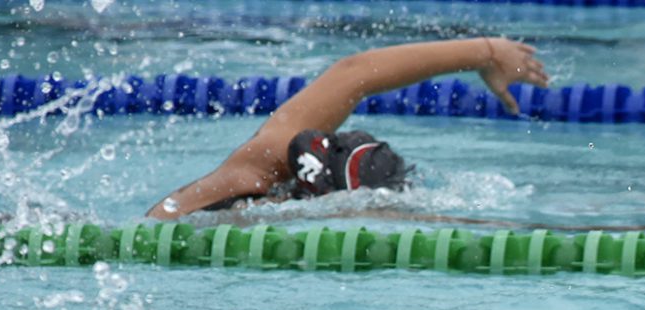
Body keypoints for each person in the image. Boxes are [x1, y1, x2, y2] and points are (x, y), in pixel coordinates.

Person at [146, 37, 549, 219]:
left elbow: (352, 74)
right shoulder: (264, 174)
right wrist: (487, 52)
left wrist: (487, 51)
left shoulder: (251, 176)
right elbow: (353, 75)